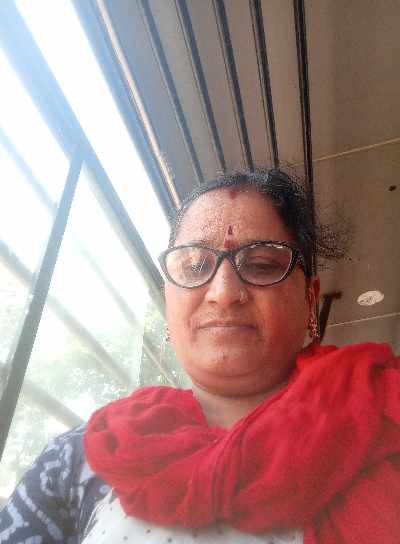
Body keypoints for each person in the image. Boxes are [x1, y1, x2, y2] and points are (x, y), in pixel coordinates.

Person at [0, 169, 399, 543]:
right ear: (167, 302)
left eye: (261, 265)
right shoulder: (82, 456)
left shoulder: (386, 419)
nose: (223, 293)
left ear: (310, 301)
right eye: (194, 266)